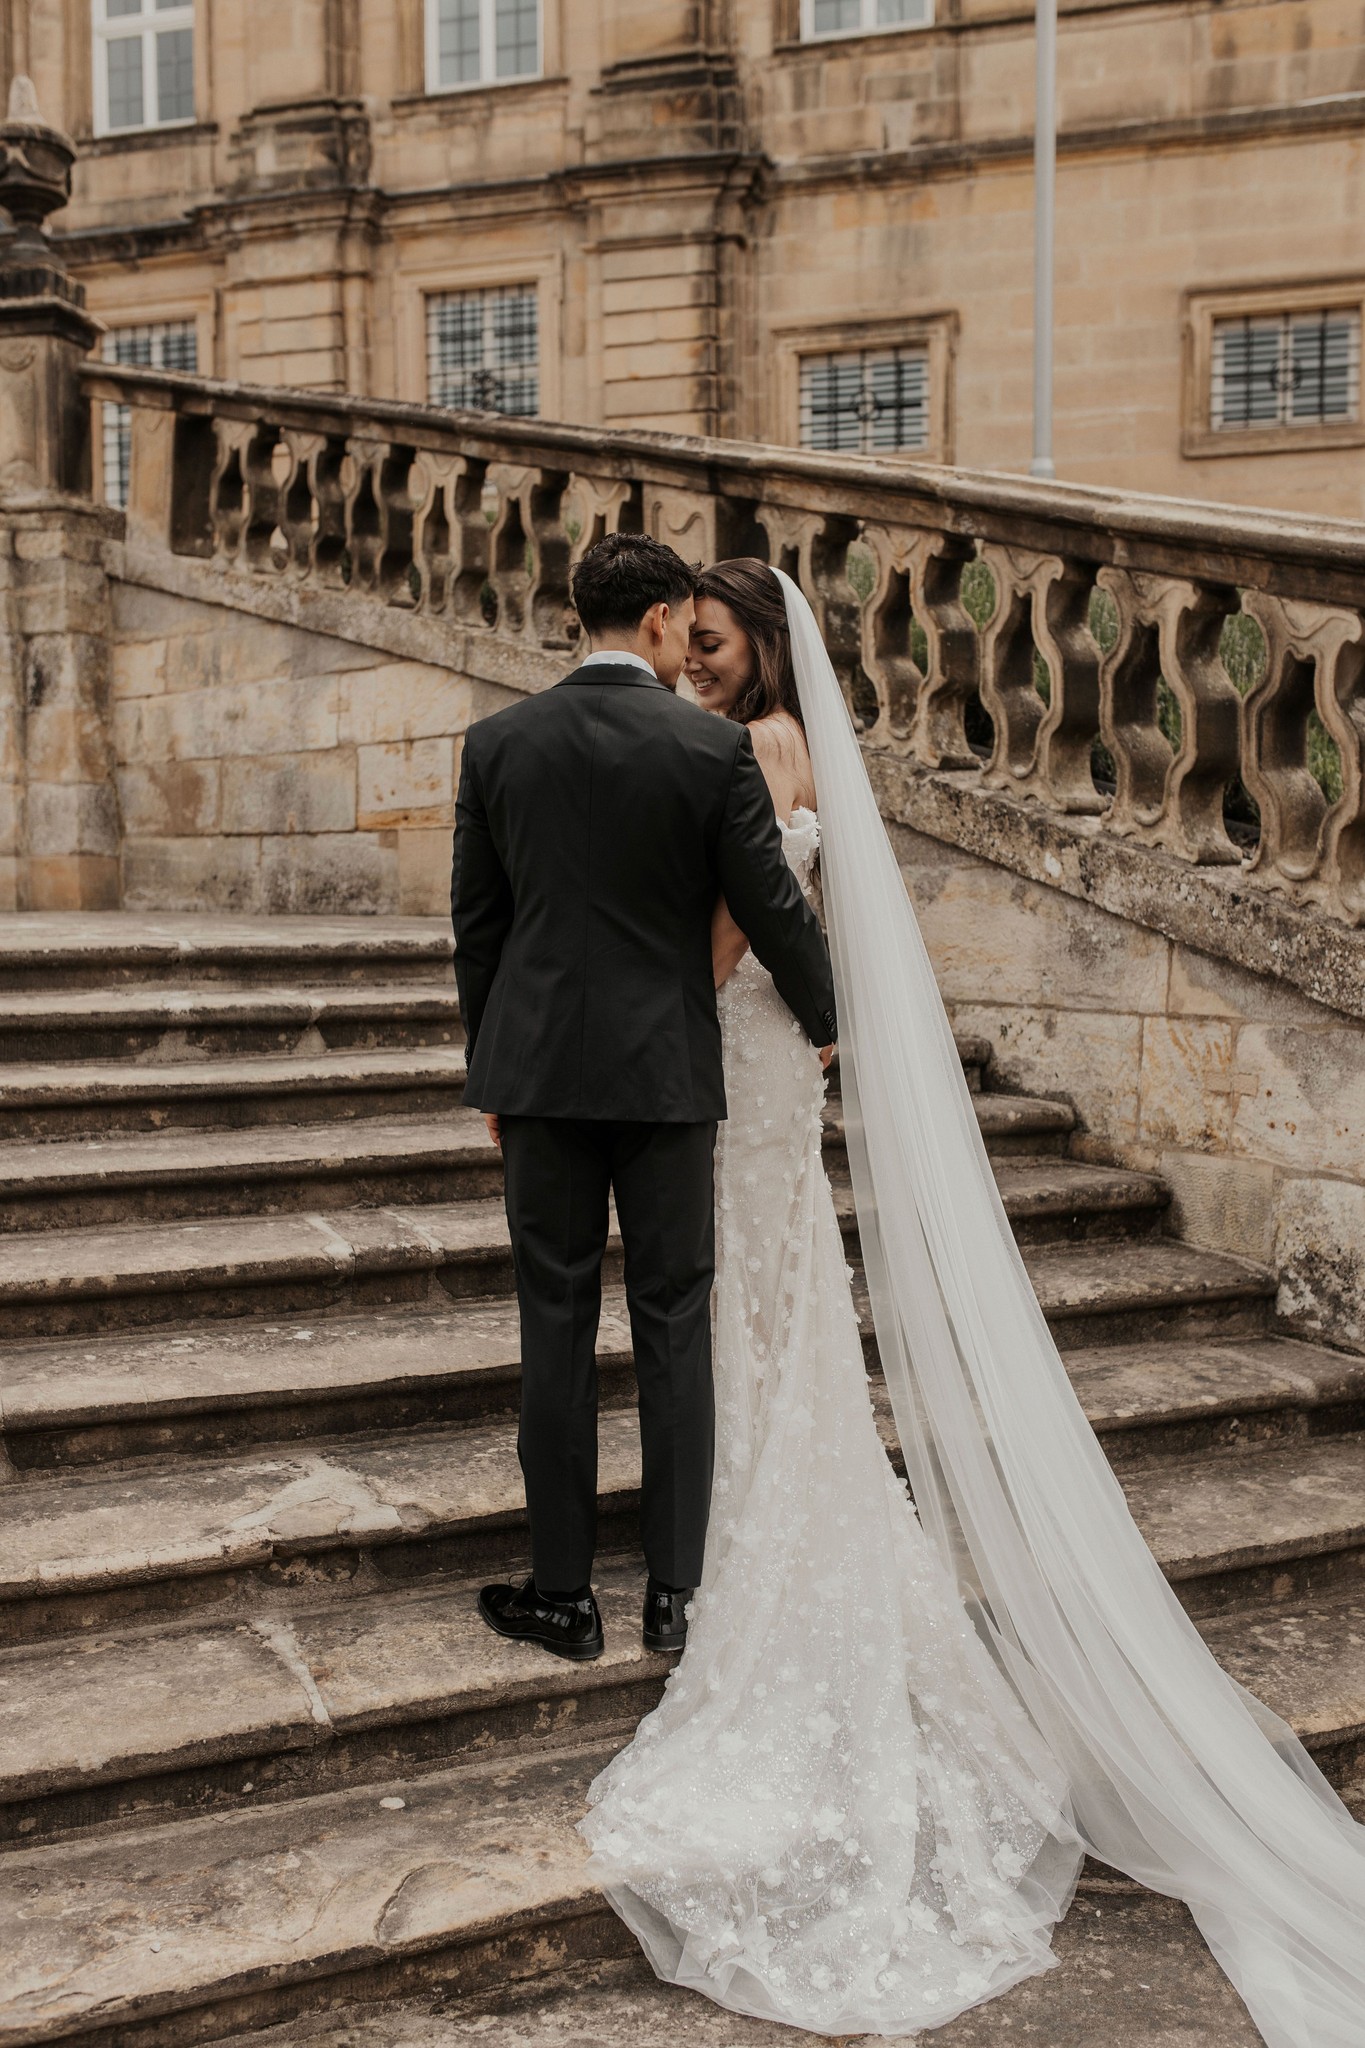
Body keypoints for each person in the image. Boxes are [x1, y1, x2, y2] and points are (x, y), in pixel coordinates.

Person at [581, 560, 1365, 2046]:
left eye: (713, 639)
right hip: (757, 1063)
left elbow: (742, 926)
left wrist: (650, 1005)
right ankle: (756, 1493)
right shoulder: (758, 741)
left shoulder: (756, 749)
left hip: (729, 1051)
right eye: (686, 639)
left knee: (748, 1287)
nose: (691, 657)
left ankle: (748, 1517)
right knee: (769, 1292)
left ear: (760, 649)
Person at [451, 533, 836, 1667]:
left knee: (554, 1324)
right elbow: (771, 904)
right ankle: (678, 1592)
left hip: (540, 1080)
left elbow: (481, 930)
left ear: (585, 615)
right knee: (676, 1324)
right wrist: (826, 1020)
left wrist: (493, 1068)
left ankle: (564, 1598)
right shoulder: (708, 748)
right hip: (670, 1077)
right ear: (663, 619)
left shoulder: (496, 743)